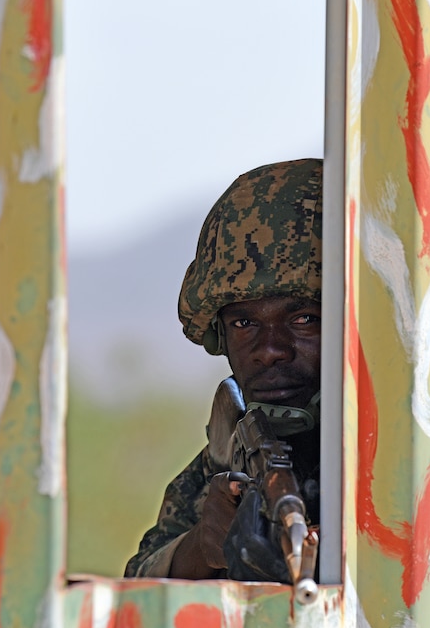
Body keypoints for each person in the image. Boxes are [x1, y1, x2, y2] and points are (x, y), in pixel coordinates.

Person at [124, 158, 323, 580]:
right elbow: (138, 587)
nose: (269, 351)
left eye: (304, 319)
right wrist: (203, 546)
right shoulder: (230, 459)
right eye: (244, 324)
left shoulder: (401, 449)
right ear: (220, 337)